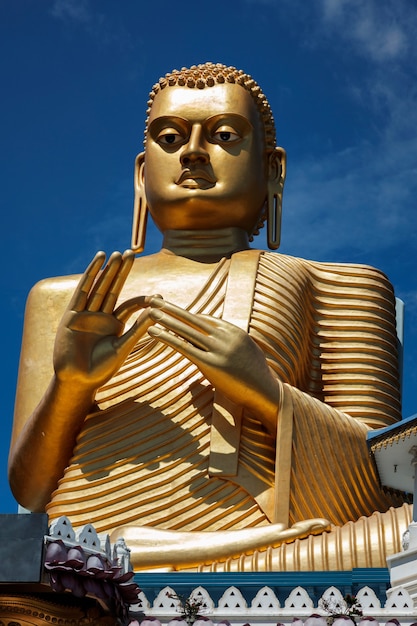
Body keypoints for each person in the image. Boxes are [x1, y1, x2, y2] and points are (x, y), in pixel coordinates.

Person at [8, 63, 410, 572]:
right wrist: (70, 386)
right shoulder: (66, 298)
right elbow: (31, 490)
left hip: (268, 554)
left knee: (404, 531)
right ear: (140, 173)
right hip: (81, 552)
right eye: (170, 137)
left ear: (272, 169)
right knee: (18, 549)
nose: (193, 152)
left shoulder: (339, 286)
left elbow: (382, 483)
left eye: (223, 135)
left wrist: (265, 392)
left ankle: (178, 560)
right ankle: (123, 560)